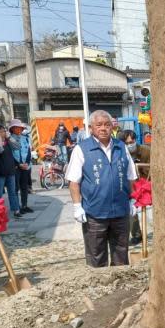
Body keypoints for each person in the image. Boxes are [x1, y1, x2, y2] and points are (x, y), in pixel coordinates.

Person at [66, 110, 138, 267]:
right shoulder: (82, 149)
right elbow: (73, 182)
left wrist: (132, 200)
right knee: (96, 256)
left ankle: (119, 288)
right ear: (91, 128)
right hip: (95, 213)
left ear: (112, 127)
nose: (103, 128)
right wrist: (77, 206)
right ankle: (101, 289)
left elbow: (131, 176)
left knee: (121, 254)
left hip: (120, 211)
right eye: (99, 125)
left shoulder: (121, 147)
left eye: (107, 124)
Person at [0, 125, 22, 219]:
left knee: (13, 192)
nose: (4, 133)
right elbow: (0, 150)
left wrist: (9, 137)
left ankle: (16, 210)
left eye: (4, 131)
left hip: (10, 171)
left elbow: (18, 146)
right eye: (2, 131)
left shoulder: (8, 141)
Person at [8, 119, 33, 214]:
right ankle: (16, 207)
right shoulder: (10, 139)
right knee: (15, 188)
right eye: (17, 128)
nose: (20, 129)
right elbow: (10, 154)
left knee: (24, 187)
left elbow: (28, 151)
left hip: (26, 166)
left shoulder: (25, 138)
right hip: (16, 167)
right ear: (13, 129)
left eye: (21, 128)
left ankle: (24, 205)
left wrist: (26, 163)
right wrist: (18, 164)